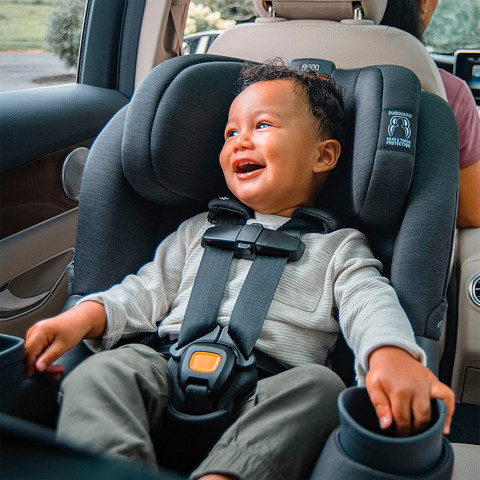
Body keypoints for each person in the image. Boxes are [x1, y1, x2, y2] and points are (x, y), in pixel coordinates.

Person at [24, 62, 455, 480]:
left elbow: (370, 302)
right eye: (230, 132)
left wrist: (389, 354)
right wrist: (82, 316)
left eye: (262, 125)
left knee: (322, 387)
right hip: (166, 369)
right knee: (104, 372)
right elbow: (144, 292)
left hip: (270, 391)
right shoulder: (197, 230)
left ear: (323, 156)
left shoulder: (338, 247)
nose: (239, 142)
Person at [381, 0, 480, 227]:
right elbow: (471, 213)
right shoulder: (448, 93)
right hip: (412, 246)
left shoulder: (299, 70)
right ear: (424, 4)